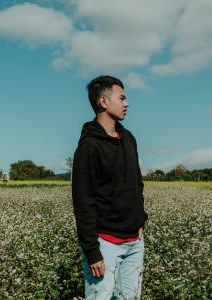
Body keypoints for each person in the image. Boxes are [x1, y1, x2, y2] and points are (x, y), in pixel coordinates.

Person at [72, 75, 148, 299]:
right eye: (121, 97)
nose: (127, 103)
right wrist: (92, 251)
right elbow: (83, 200)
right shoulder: (89, 146)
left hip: (134, 242)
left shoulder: (129, 138)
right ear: (103, 102)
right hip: (105, 244)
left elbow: (137, 184)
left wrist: (140, 220)